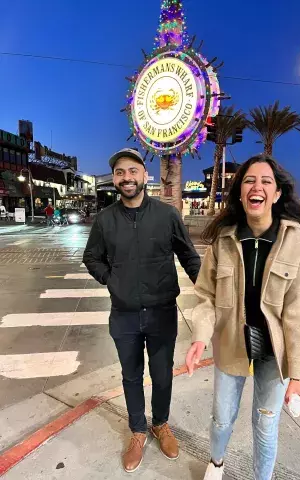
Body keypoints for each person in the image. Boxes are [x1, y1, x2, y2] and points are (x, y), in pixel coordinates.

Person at [185, 154, 300, 480]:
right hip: (232, 343)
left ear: (276, 194)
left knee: (266, 421)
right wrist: (200, 336)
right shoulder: (224, 240)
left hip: (274, 352)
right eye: (248, 180)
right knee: (221, 417)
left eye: (265, 181)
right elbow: (205, 297)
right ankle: (216, 463)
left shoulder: (297, 240)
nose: (256, 186)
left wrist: (298, 377)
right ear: (240, 193)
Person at [83, 148, 201, 473]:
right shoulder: (105, 220)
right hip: (123, 315)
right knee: (131, 375)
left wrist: (209, 292)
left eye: (132, 171)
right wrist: (112, 280)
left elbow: (190, 257)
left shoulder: (167, 215)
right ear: (115, 179)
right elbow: (91, 257)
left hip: (162, 312)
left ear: (144, 175)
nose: (127, 178)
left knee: (162, 375)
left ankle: (160, 424)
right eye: (120, 172)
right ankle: (138, 429)